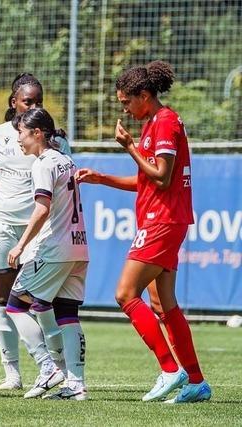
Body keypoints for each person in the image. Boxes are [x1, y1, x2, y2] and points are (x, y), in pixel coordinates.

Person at [76, 60, 211, 403]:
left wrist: (129, 147)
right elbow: (147, 180)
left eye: (126, 102)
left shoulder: (164, 123)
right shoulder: (154, 123)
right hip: (164, 218)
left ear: (145, 95)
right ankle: (196, 381)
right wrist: (103, 178)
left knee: (125, 294)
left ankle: (170, 369)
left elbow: (162, 176)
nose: (125, 108)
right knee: (163, 304)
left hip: (162, 221)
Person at [0, 73, 70, 395]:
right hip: (1, 225)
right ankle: (13, 374)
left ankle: (59, 369)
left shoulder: (56, 141)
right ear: (14, 102)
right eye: (27, 101)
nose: (33, 105)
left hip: (39, 231)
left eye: (38, 101)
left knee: (39, 302)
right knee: (1, 301)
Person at [4, 108, 89, 400]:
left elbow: (42, 209)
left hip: (54, 248)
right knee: (65, 313)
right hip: (79, 247)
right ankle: (75, 384)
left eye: (22, 134)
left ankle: (47, 366)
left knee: (15, 305)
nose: (19, 140)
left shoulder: (43, 164)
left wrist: (20, 244)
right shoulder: (66, 159)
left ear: (37, 133)